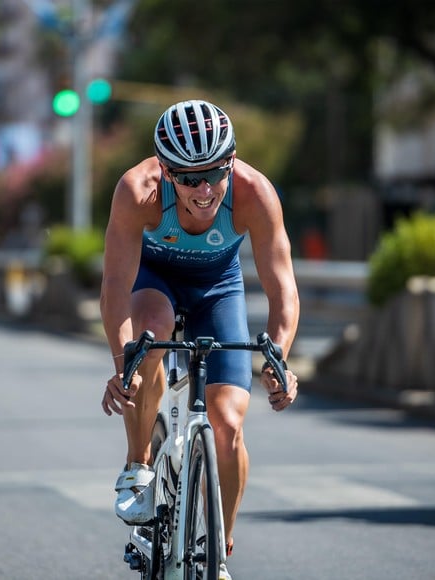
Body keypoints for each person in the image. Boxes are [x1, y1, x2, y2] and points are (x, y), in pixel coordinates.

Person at [100, 99, 300, 580]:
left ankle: (219, 547)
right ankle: (139, 462)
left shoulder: (254, 192)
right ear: (167, 172)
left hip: (218, 288)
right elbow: (113, 289)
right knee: (150, 329)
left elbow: (283, 290)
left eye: (215, 172)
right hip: (154, 280)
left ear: (231, 160)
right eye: (189, 178)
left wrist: (279, 359)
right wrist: (121, 363)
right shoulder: (137, 191)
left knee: (228, 425)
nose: (205, 188)